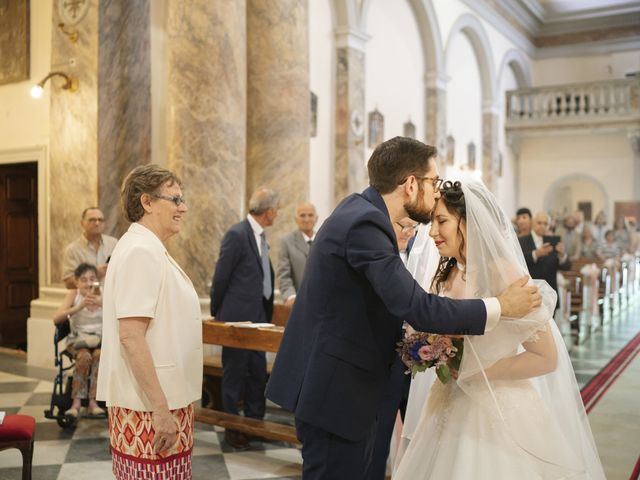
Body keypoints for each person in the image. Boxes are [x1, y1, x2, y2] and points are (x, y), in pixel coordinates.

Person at [265, 136, 541, 479]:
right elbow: (417, 306)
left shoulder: (359, 211)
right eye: (432, 182)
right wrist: (500, 305)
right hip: (336, 394)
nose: (436, 191)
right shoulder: (366, 224)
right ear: (411, 184)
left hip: (340, 387)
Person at [394, 179, 605, 479]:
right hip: (447, 400)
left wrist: (479, 372)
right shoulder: (449, 271)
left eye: (442, 221)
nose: (432, 232)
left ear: (468, 223)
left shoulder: (504, 273)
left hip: (495, 404)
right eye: (432, 222)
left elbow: (546, 357)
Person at [96, 164, 202, 479]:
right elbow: (131, 336)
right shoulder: (141, 251)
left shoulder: (147, 247)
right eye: (175, 199)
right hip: (149, 405)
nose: (183, 208)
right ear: (147, 202)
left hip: (161, 398)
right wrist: (160, 409)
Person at [210, 187, 279, 450]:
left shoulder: (261, 236)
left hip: (259, 316)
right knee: (234, 374)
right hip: (237, 320)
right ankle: (232, 428)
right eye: (277, 209)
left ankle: (254, 424)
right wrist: (218, 313)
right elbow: (221, 276)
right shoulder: (237, 234)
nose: (277, 213)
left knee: (257, 374)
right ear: (269, 210)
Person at [369, 217, 418, 480]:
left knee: (418, 438)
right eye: (403, 227)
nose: (408, 233)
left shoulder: (423, 256)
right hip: (386, 362)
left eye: (412, 228)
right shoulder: (379, 257)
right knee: (379, 436)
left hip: (419, 364)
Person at [52, 263, 104, 417]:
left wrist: (101, 303)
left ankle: (93, 401)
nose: (88, 283)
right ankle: (76, 402)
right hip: (78, 340)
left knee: (99, 356)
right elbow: (56, 318)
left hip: (100, 340)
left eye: (92, 279)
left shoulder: (102, 292)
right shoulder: (74, 294)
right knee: (84, 356)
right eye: (84, 279)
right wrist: (80, 306)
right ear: (76, 281)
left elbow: (117, 314)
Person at [518, 211, 571, 306]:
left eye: (545, 224)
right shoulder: (521, 241)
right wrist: (535, 254)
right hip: (529, 292)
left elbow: (567, 267)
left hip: (549, 294)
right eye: (539, 223)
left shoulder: (553, 241)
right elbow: (518, 262)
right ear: (533, 223)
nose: (542, 226)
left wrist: (562, 255)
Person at [62, 207, 118, 288]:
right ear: (82, 223)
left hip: (111, 298)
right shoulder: (72, 250)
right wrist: (94, 274)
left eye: (100, 220)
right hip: (87, 299)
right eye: (92, 220)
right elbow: (68, 284)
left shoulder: (114, 243)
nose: (97, 223)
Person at [277, 202, 318, 308]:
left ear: (316, 218)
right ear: (296, 219)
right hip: (298, 304)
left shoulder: (323, 241)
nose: (307, 219)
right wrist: (290, 296)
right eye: (302, 215)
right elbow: (283, 275)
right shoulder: (286, 242)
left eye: (310, 215)